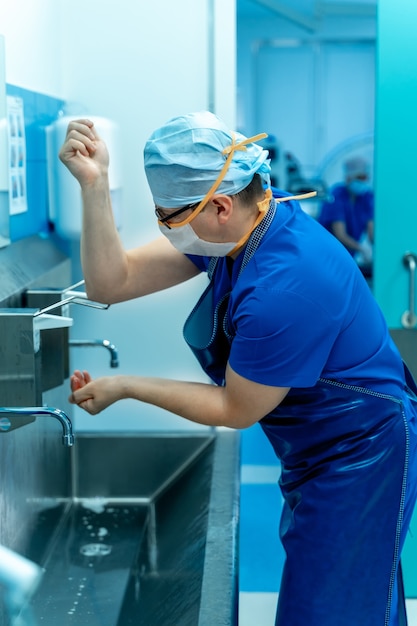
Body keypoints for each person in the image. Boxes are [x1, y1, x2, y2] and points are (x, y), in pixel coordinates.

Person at [59, 112, 417, 626]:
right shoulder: (238, 235)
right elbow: (110, 283)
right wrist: (93, 187)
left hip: (362, 453)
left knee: (331, 613)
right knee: (355, 603)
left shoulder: (285, 284)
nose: (164, 228)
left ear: (220, 206)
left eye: (168, 216)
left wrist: (126, 385)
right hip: (318, 447)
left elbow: (235, 408)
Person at [318, 155, 374, 277]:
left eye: (365, 177)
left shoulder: (365, 197)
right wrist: (362, 249)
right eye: (360, 177)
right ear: (349, 177)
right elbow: (341, 234)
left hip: (349, 258)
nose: (364, 181)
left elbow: (371, 233)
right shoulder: (336, 196)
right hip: (329, 256)